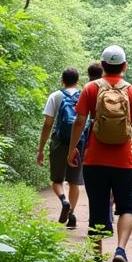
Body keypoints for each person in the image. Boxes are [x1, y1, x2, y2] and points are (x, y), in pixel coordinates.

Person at [67, 45, 132, 262]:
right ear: (124, 66)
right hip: (123, 161)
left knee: (98, 208)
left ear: (102, 66)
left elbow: (79, 122)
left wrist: (72, 149)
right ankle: (120, 249)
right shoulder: (131, 91)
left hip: (94, 160)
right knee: (127, 207)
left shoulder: (91, 88)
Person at [36, 68, 85, 228]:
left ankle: (64, 201)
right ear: (77, 80)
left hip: (59, 142)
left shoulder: (55, 96)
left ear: (62, 80)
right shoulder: (84, 95)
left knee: (57, 180)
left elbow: (48, 124)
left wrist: (41, 149)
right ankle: (71, 214)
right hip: (78, 143)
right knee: (74, 182)